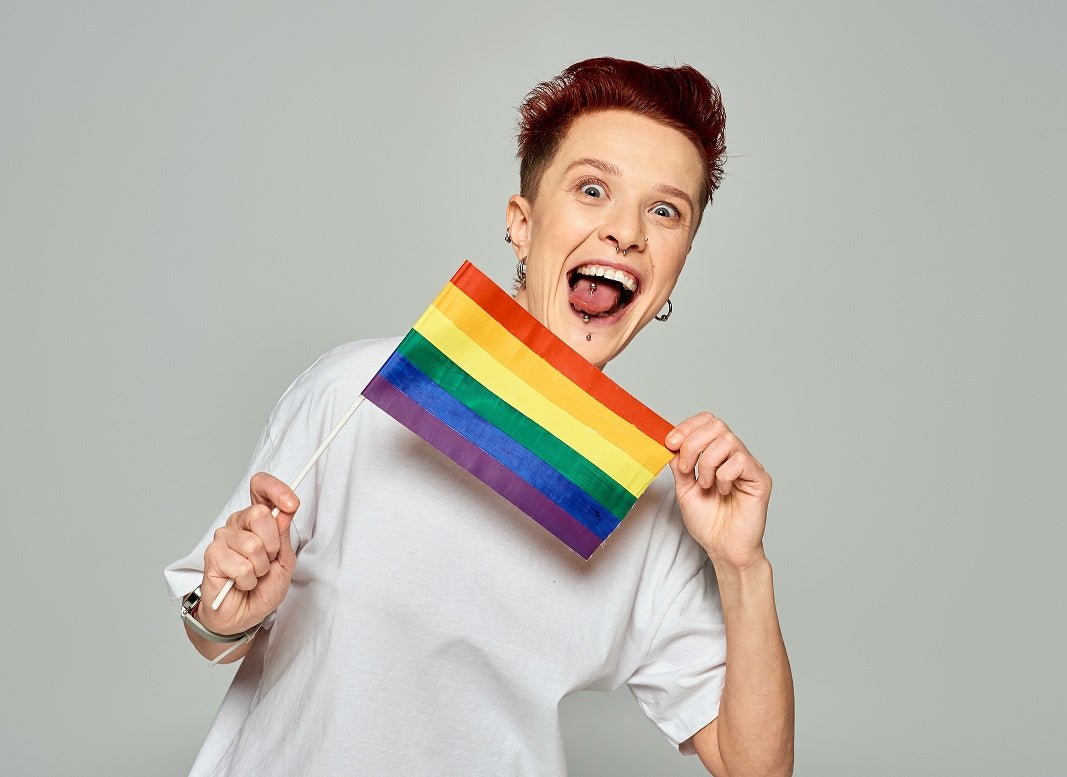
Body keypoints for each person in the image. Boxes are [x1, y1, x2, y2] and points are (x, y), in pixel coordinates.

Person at [165, 57, 795, 776]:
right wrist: (231, 613)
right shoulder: (359, 390)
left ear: (678, 263)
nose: (626, 232)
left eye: (665, 211)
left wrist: (743, 566)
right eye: (593, 189)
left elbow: (757, 769)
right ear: (521, 226)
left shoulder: (655, 505)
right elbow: (211, 627)